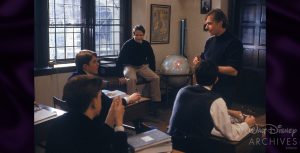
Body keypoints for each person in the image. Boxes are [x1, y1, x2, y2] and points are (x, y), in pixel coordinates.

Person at [168, 61, 256, 153]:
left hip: (173, 144)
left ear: (194, 76)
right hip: (192, 148)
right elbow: (231, 135)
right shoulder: (216, 100)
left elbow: (199, 109)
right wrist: (247, 124)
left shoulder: (182, 91)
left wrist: (229, 111)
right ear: (216, 79)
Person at [46, 75, 128, 153]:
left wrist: (111, 114)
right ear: (93, 102)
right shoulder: (92, 132)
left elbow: (103, 139)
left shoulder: (57, 123)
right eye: (100, 96)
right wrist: (119, 124)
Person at [70, 50, 141, 123]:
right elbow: (109, 104)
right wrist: (129, 99)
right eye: (94, 62)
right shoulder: (89, 83)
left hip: (76, 118)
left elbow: (104, 83)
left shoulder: (73, 78)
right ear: (85, 66)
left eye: (97, 61)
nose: (98, 64)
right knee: (136, 105)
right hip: (94, 122)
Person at [193, 9, 243, 107]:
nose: (206, 27)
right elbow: (205, 59)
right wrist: (198, 60)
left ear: (220, 23)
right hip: (207, 87)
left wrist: (210, 67)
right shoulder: (209, 42)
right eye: (206, 24)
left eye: (209, 24)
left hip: (224, 89)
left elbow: (234, 70)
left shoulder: (234, 43)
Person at [117, 25, 161, 114]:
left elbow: (151, 58)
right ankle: (132, 103)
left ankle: (155, 103)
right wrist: (120, 76)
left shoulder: (146, 44)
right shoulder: (128, 44)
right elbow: (120, 59)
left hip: (142, 66)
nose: (138, 37)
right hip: (129, 66)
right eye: (137, 35)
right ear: (133, 34)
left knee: (156, 78)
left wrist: (153, 70)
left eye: (141, 35)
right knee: (132, 79)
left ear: (143, 35)